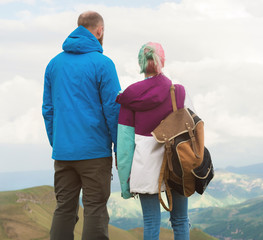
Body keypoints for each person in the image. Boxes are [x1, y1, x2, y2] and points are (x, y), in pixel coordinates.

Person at [42, 11, 121, 240]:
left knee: (64, 209)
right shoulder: (103, 64)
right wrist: (119, 149)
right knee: (95, 208)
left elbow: (48, 110)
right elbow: (113, 110)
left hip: (63, 152)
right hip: (94, 153)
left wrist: (58, 143)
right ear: (100, 31)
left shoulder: (54, 64)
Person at [116, 42, 191, 240]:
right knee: (181, 220)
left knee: (150, 222)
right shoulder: (179, 92)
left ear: (140, 63)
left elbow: (124, 146)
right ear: (163, 61)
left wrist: (125, 183)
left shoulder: (128, 98)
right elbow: (192, 132)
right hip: (176, 163)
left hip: (145, 167)